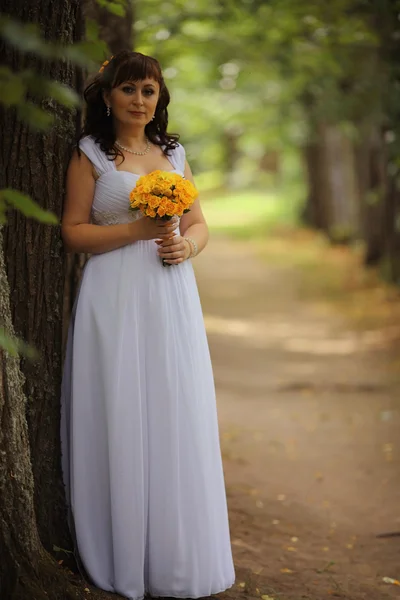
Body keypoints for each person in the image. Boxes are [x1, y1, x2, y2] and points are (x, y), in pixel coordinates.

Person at [60, 50, 235, 600]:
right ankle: (121, 550)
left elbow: (200, 223)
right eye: (129, 89)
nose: (140, 100)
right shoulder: (90, 154)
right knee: (120, 404)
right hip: (113, 293)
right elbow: (73, 231)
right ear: (107, 95)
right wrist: (136, 232)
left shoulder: (174, 152)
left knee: (172, 405)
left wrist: (187, 244)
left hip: (170, 292)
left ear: (160, 99)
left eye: (149, 91)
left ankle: (176, 555)